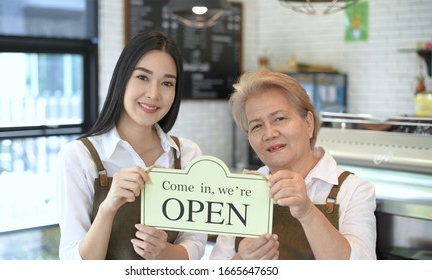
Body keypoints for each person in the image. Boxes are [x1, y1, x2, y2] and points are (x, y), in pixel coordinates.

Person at [55, 30, 206, 260]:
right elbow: (73, 263)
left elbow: (195, 243)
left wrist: (164, 251)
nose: (154, 94)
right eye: (143, 77)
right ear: (122, 78)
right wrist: (108, 208)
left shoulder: (187, 155)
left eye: (167, 83)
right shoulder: (78, 157)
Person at [210, 70, 376, 260]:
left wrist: (306, 211)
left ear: (308, 123)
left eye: (279, 118)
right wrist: (240, 263)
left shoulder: (353, 190)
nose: (270, 133)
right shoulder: (242, 192)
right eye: (257, 126)